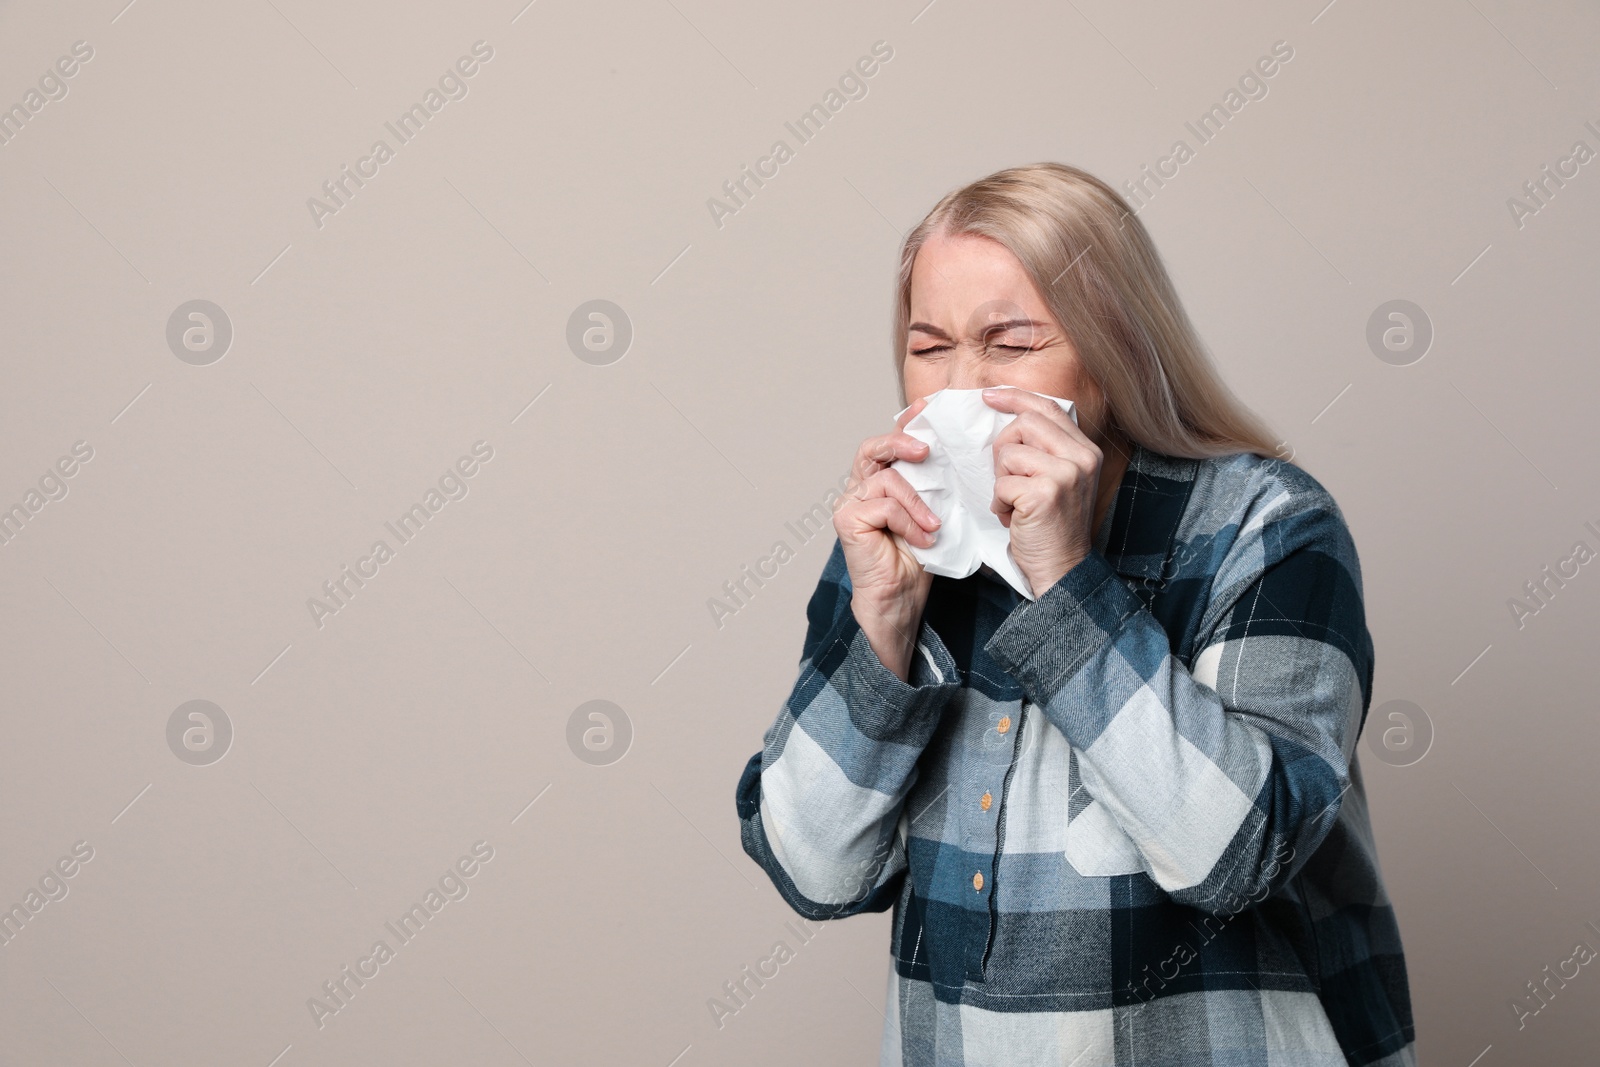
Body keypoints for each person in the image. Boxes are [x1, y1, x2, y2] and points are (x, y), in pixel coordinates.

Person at [734, 162, 1415, 1066]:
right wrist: (884, 626)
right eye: (930, 346)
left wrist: (1065, 581)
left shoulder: (1268, 525)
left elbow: (1237, 855)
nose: (961, 388)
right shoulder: (901, 544)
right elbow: (811, 871)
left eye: (1009, 344)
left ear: (1116, 349)